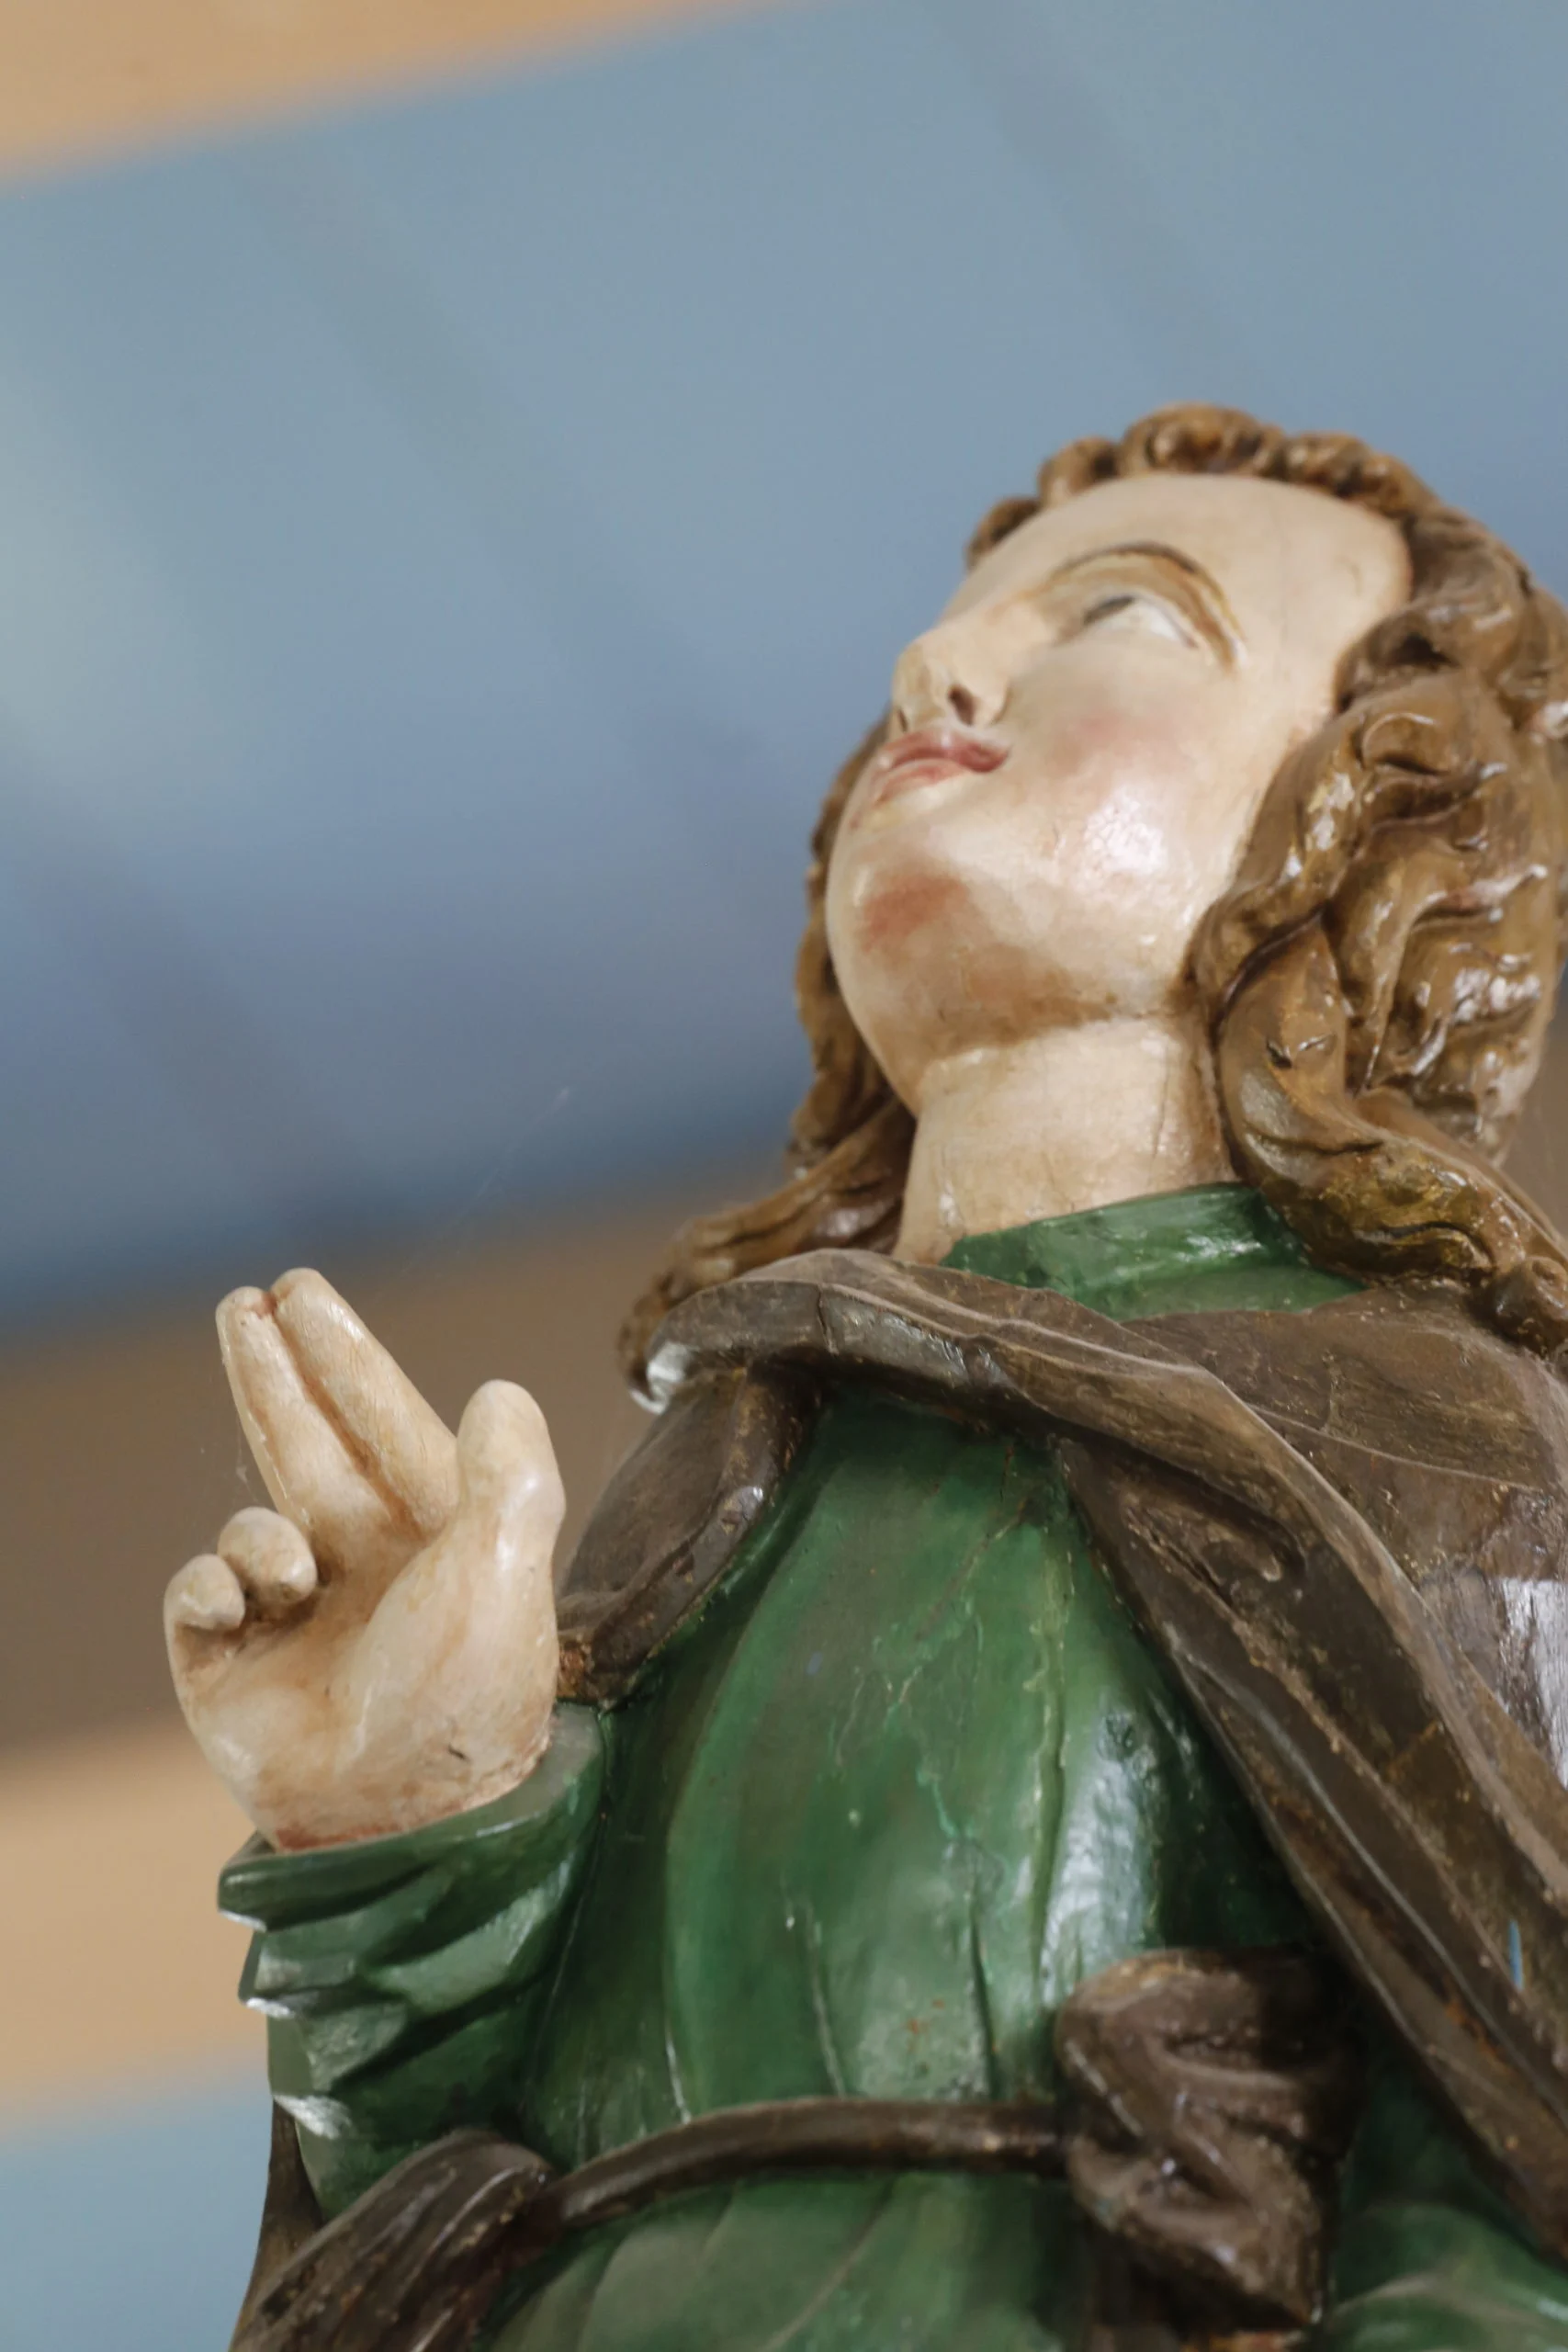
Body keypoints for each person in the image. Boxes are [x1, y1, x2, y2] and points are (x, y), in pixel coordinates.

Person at [168, 406, 1568, 2348]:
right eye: (952, 623)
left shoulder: (1438, 1450)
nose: (933, 665)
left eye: (1126, 613)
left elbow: (1515, 2191)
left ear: (1374, 825)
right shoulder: (724, 1474)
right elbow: (447, 2191)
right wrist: (410, 1833)